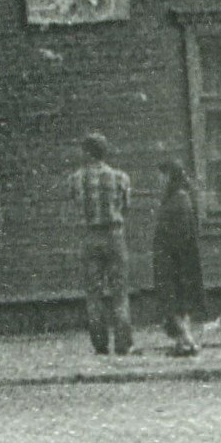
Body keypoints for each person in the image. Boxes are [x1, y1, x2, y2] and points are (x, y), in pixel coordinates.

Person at [68, 133, 135, 356]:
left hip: (90, 236)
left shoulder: (76, 178)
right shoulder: (121, 177)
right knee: (120, 291)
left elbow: (75, 203)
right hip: (114, 235)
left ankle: (100, 344)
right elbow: (126, 207)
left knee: (93, 293)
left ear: (87, 153)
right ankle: (123, 343)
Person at [153, 159, 205, 357]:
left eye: (162, 175)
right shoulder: (175, 197)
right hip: (173, 257)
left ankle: (189, 342)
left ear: (170, 176)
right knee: (176, 302)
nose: (159, 180)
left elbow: (181, 233)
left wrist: (171, 253)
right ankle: (182, 342)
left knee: (174, 300)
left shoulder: (179, 199)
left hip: (176, 259)